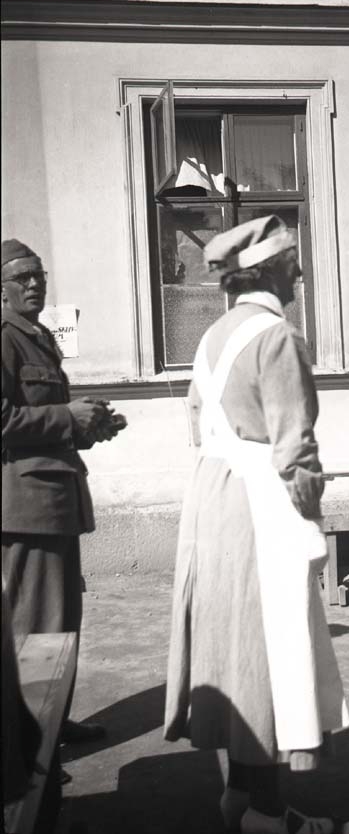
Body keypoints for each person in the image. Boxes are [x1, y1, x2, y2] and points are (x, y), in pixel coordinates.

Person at [164, 215, 349, 834]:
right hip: (261, 505)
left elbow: (198, 423)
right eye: (292, 263)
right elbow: (294, 447)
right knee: (271, 652)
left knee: (236, 649)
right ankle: (268, 816)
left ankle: (240, 795)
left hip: (214, 501)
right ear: (268, 271)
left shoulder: (214, 335)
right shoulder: (277, 336)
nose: (300, 272)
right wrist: (311, 523)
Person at [1, 238, 126, 754]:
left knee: (61, 620)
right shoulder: (5, 338)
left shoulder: (38, 337)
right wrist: (65, 417)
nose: (34, 284)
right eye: (22, 277)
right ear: (2, 289)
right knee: (35, 626)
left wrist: (88, 425)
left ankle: (51, 718)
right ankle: (28, 744)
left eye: (39, 275)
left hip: (54, 501)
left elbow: (48, 421)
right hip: (26, 506)